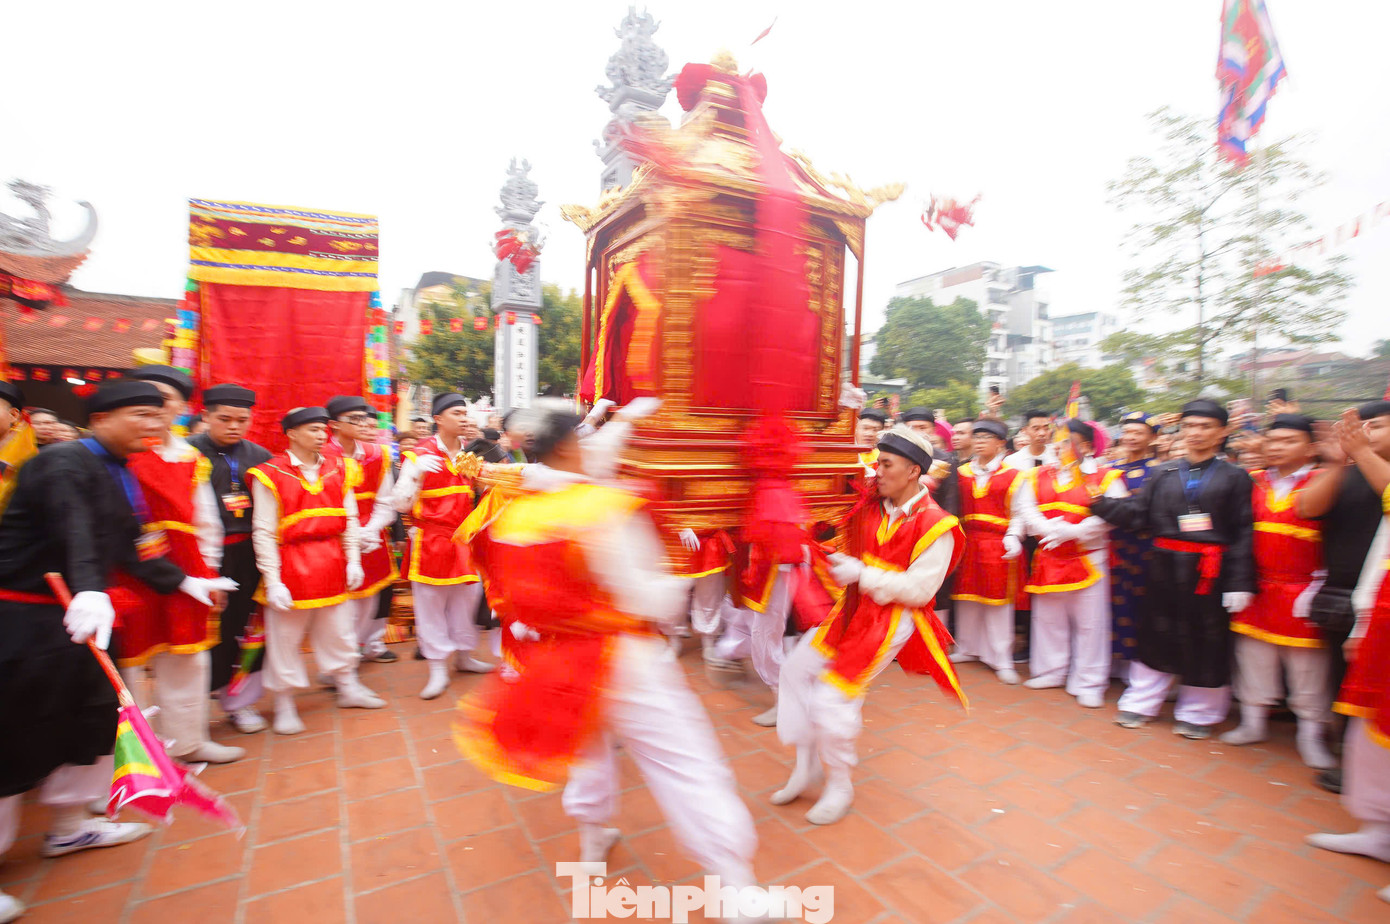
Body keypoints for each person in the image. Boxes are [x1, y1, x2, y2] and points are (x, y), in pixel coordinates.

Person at [456, 401, 758, 893]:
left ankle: (594, 835)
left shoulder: (514, 511)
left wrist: (624, 420)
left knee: (588, 752)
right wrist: (673, 573)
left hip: (556, 662)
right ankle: (736, 884)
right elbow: (650, 598)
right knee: (684, 761)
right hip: (623, 657)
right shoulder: (603, 508)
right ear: (573, 445)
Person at [0, 380, 235, 924]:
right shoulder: (62, 464)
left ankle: (70, 826)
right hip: (29, 618)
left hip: (84, 615)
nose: (155, 426)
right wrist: (87, 587)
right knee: (15, 734)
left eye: (161, 417)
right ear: (101, 417)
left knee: (91, 721)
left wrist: (181, 581)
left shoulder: (120, 469)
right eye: (141, 415)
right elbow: (73, 530)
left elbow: (135, 540)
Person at [774, 425, 964, 825]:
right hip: (853, 607)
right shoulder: (872, 504)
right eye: (878, 462)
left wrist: (862, 574)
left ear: (913, 471)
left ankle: (840, 785)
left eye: (886, 464)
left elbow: (918, 591)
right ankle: (806, 763)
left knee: (833, 698)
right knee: (794, 670)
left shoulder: (938, 525)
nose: (877, 470)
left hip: (891, 620)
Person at [1092, 400, 1255, 738]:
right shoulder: (1162, 472)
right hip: (1163, 565)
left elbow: (1243, 531)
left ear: (1222, 432)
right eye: (1190, 426)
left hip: (1210, 569)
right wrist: (1098, 502)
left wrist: (1240, 582)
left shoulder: (1236, 477)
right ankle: (1141, 702)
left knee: (1207, 637)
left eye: (1205, 427)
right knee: (1155, 632)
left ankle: (1200, 711)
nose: (1195, 433)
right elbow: (1139, 514)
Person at [112, 366, 242, 764]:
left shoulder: (190, 456)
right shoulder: (116, 452)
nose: (156, 408)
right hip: (124, 568)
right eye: (146, 399)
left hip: (187, 567)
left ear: (182, 407)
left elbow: (205, 520)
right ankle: (129, 760)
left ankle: (188, 741)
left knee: (188, 657)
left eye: (165, 400)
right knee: (126, 667)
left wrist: (211, 573)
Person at [247, 407, 384, 735]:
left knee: (340, 631)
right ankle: (283, 702)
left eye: (323, 429)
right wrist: (274, 580)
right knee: (285, 638)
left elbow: (350, 519)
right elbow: (263, 531)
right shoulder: (271, 473)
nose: (322, 435)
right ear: (291, 434)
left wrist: (353, 560)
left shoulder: (341, 468)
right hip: (292, 563)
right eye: (312, 430)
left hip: (332, 560)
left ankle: (347, 686)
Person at [1305, 410, 1390, 904]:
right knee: (1371, 733)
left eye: (1376, 427)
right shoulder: (1362, 475)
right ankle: (1378, 831)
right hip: (1379, 615)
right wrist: (1363, 617)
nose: (1364, 434)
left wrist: (1358, 453)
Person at [1220, 414, 1334, 768]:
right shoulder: (1250, 481)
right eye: (1273, 440)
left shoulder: (1324, 481)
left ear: (1310, 447)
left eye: (1289, 440)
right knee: (1253, 659)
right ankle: (1253, 723)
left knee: (1308, 668)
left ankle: (1310, 735)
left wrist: (1321, 584)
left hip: (1304, 586)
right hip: (1256, 587)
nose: (1278, 447)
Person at [1014, 420, 1126, 708]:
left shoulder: (1105, 477)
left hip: (1088, 559)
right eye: (1059, 441)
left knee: (1090, 625)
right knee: (1048, 619)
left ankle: (1089, 682)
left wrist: (1074, 532)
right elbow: (1025, 507)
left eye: (1067, 441)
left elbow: (1112, 514)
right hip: (1050, 557)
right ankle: (1051, 670)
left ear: (1087, 447)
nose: (1059, 446)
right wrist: (1047, 529)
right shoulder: (1036, 475)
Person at [394, 393, 494, 700]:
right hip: (431, 541)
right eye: (456, 413)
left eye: (466, 413)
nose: (464, 418)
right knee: (431, 605)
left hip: (464, 540)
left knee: (466, 599)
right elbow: (400, 504)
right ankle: (437, 666)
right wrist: (414, 472)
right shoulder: (419, 455)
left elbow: (483, 492)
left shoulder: (469, 453)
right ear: (438, 419)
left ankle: (464, 656)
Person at [190, 384, 273, 734]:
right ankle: (191, 710)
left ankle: (240, 702)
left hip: (249, 554)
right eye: (224, 419)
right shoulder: (186, 454)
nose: (234, 426)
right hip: (202, 554)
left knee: (247, 627)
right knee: (204, 631)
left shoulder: (261, 456)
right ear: (206, 416)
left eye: (242, 419)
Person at [324, 395, 399, 664]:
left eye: (363, 419)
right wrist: (352, 534)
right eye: (353, 419)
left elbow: (386, 501)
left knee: (372, 594)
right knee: (342, 601)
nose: (362, 424)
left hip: (372, 532)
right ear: (333, 425)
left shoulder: (377, 455)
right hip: (334, 535)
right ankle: (341, 657)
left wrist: (371, 530)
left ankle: (368, 643)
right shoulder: (321, 456)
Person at [949, 419, 1025, 685]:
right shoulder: (962, 472)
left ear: (1001, 443)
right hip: (968, 540)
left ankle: (1001, 657)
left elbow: (1020, 513)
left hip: (997, 542)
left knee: (997, 601)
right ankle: (967, 647)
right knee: (967, 597)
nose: (980, 440)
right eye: (977, 436)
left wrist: (1014, 536)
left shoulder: (1014, 475)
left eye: (987, 437)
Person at [1110, 412, 1162, 669]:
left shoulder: (1161, 472)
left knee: (1142, 605)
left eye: (1138, 433)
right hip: (1114, 548)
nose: (1130, 438)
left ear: (1153, 438)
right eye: (1127, 432)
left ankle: (1141, 665)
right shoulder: (1110, 470)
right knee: (1114, 603)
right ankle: (1114, 663)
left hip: (1145, 551)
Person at [855, 408, 887, 474]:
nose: (870, 434)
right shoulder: (847, 455)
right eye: (865, 428)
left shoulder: (882, 458)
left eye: (875, 430)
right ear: (855, 429)